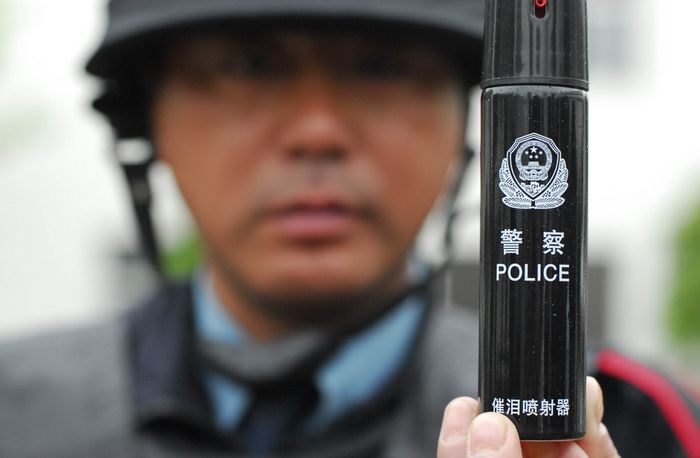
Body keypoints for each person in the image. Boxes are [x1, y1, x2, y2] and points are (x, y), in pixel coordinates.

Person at [1, 1, 699, 457]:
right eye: (248, 65)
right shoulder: (16, 409)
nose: (318, 132)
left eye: (380, 67)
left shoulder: (636, 422)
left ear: (468, 125)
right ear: (147, 125)